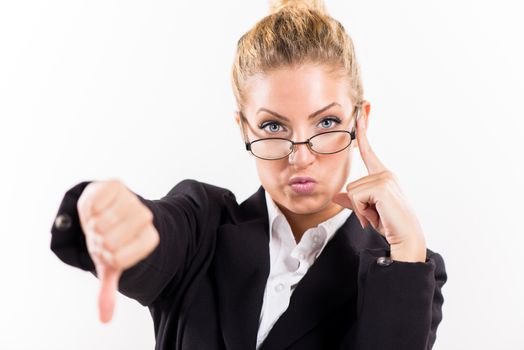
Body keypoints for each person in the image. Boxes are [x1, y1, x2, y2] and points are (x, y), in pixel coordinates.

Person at [50, 0, 447, 349]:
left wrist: (407, 249)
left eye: (326, 122)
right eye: (274, 127)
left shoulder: (402, 270)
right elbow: (156, 236)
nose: (302, 157)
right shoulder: (202, 226)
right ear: (244, 128)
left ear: (361, 120)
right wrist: (116, 222)